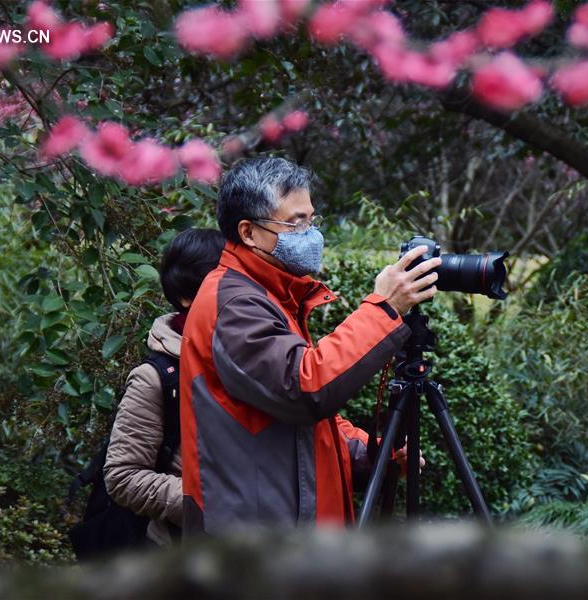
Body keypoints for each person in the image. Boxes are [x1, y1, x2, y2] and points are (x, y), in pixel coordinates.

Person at [179, 157, 440, 535]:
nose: (310, 234)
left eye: (311, 220)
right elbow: (305, 388)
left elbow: (300, 430)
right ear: (249, 233)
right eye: (295, 222)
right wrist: (384, 308)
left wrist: (370, 452)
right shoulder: (235, 305)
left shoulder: (272, 295)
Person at [103, 228, 225, 546]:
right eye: (216, 284)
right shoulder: (156, 378)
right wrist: (205, 504)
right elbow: (123, 476)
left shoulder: (254, 355)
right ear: (185, 296)